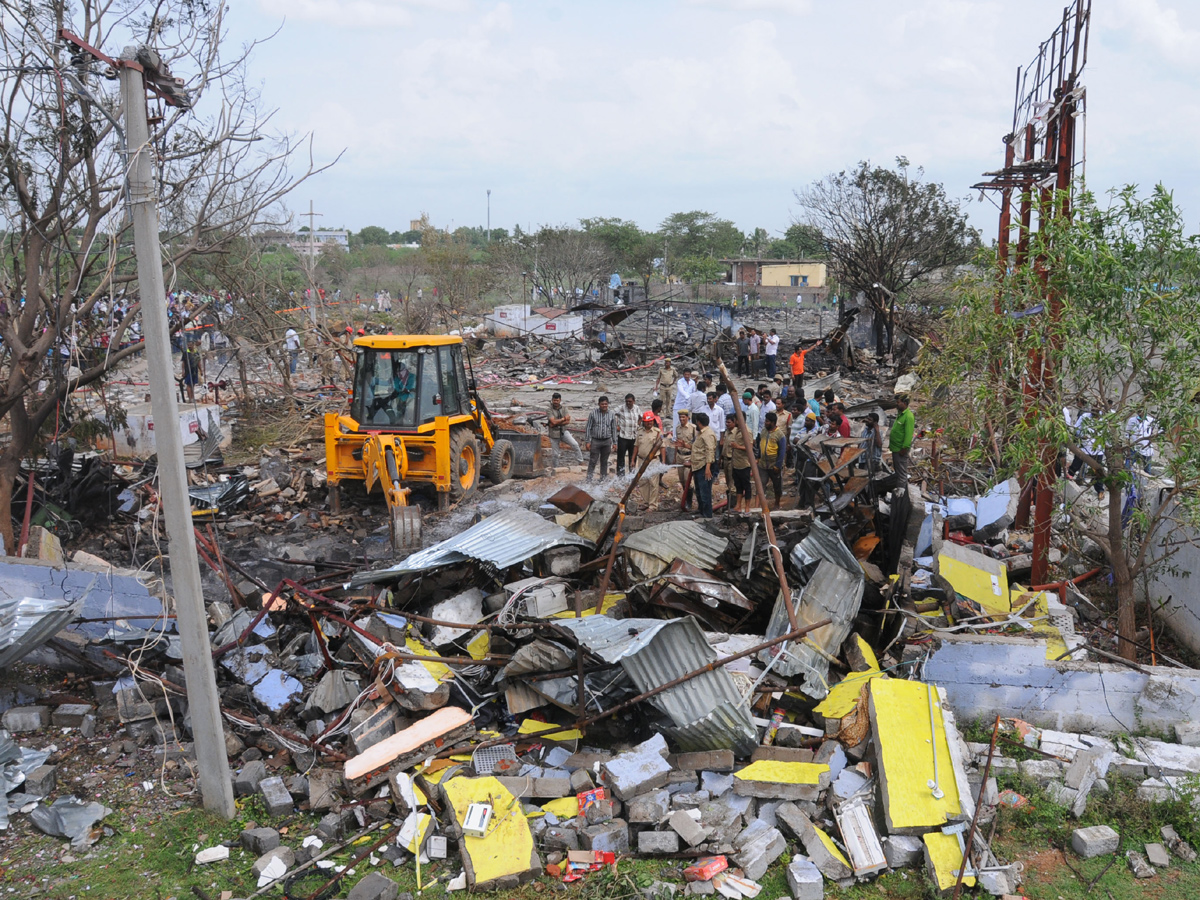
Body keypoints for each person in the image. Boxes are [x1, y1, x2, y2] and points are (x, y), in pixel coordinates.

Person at [633, 412, 665, 511]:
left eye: (650, 421)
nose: (649, 423)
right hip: (641, 460)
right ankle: (646, 502)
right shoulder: (640, 432)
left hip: (653, 461)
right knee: (643, 482)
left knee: (653, 482)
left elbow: (662, 447)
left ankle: (653, 505)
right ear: (644, 422)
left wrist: (663, 461)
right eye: (647, 422)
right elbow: (636, 446)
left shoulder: (657, 432)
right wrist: (632, 460)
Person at [691, 411, 718, 519]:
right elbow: (699, 449)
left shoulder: (708, 434)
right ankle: (701, 512)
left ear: (699, 422)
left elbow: (710, 451)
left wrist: (707, 468)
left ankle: (707, 517)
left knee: (705, 493)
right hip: (698, 466)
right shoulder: (701, 433)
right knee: (699, 491)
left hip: (704, 467)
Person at [547, 392, 583, 473]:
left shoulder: (564, 408)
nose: (556, 402)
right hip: (554, 433)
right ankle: (555, 468)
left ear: (560, 400)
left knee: (575, 444)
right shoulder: (549, 409)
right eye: (554, 400)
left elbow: (567, 421)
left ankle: (581, 461)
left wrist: (557, 422)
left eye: (557, 400)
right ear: (552, 400)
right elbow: (553, 422)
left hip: (564, 431)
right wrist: (563, 419)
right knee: (555, 454)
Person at [757, 411, 787, 509]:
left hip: (774, 465)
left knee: (777, 486)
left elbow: (782, 452)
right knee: (760, 484)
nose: (765, 423)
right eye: (765, 421)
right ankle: (759, 505)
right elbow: (759, 444)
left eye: (768, 421)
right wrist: (758, 457)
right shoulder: (763, 431)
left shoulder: (780, 435)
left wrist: (778, 466)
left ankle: (777, 504)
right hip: (762, 464)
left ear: (773, 423)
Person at [585, 396, 616, 482]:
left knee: (604, 461)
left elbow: (613, 429)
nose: (604, 405)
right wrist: (587, 441)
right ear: (599, 404)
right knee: (593, 460)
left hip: (607, 441)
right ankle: (589, 479)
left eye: (606, 404)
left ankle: (603, 479)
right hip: (595, 441)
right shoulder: (593, 413)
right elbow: (588, 427)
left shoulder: (611, 414)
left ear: (608, 404)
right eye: (602, 404)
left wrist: (615, 442)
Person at [889, 395, 915, 486]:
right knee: (898, 472)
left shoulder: (908, 416)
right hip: (895, 448)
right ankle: (899, 492)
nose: (897, 404)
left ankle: (902, 495)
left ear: (904, 403)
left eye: (898, 402)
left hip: (900, 450)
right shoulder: (900, 414)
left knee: (901, 474)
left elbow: (908, 434)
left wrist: (904, 448)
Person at [614, 393, 642, 477]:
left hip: (633, 437)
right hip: (623, 436)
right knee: (621, 457)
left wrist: (638, 425)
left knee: (632, 457)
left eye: (630, 401)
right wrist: (616, 424)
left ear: (634, 401)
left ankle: (631, 475)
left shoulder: (637, 408)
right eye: (627, 401)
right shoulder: (621, 408)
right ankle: (620, 476)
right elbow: (611, 414)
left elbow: (641, 417)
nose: (628, 403)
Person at [674, 409, 697, 509]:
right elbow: (676, 443)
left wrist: (686, 445)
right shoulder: (677, 428)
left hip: (688, 455)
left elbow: (696, 445)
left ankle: (689, 502)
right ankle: (685, 499)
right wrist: (675, 456)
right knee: (682, 480)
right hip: (680, 455)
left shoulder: (693, 428)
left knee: (688, 480)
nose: (681, 419)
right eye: (680, 417)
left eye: (683, 417)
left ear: (688, 417)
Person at [727, 424, 752, 512]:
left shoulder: (747, 432)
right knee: (738, 486)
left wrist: (737, 447)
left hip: (744, 464)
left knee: (746, 486)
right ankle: (738, 505)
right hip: (736, 463)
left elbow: (750, 447)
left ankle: (747, 507)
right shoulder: (737, 431)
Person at [672, 366, 697, 434]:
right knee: (676, 421)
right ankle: (674, 437)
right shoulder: (680, 382)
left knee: (688, 421)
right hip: (679, 403)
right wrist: (688, 397)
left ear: (690, 375)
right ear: (683, 374)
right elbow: (681, 391)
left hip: (688, 405)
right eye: (685, 374)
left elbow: (693, 392)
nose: (687, 376)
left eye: (688, 375)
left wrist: (691, 400)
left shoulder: (692, 382)